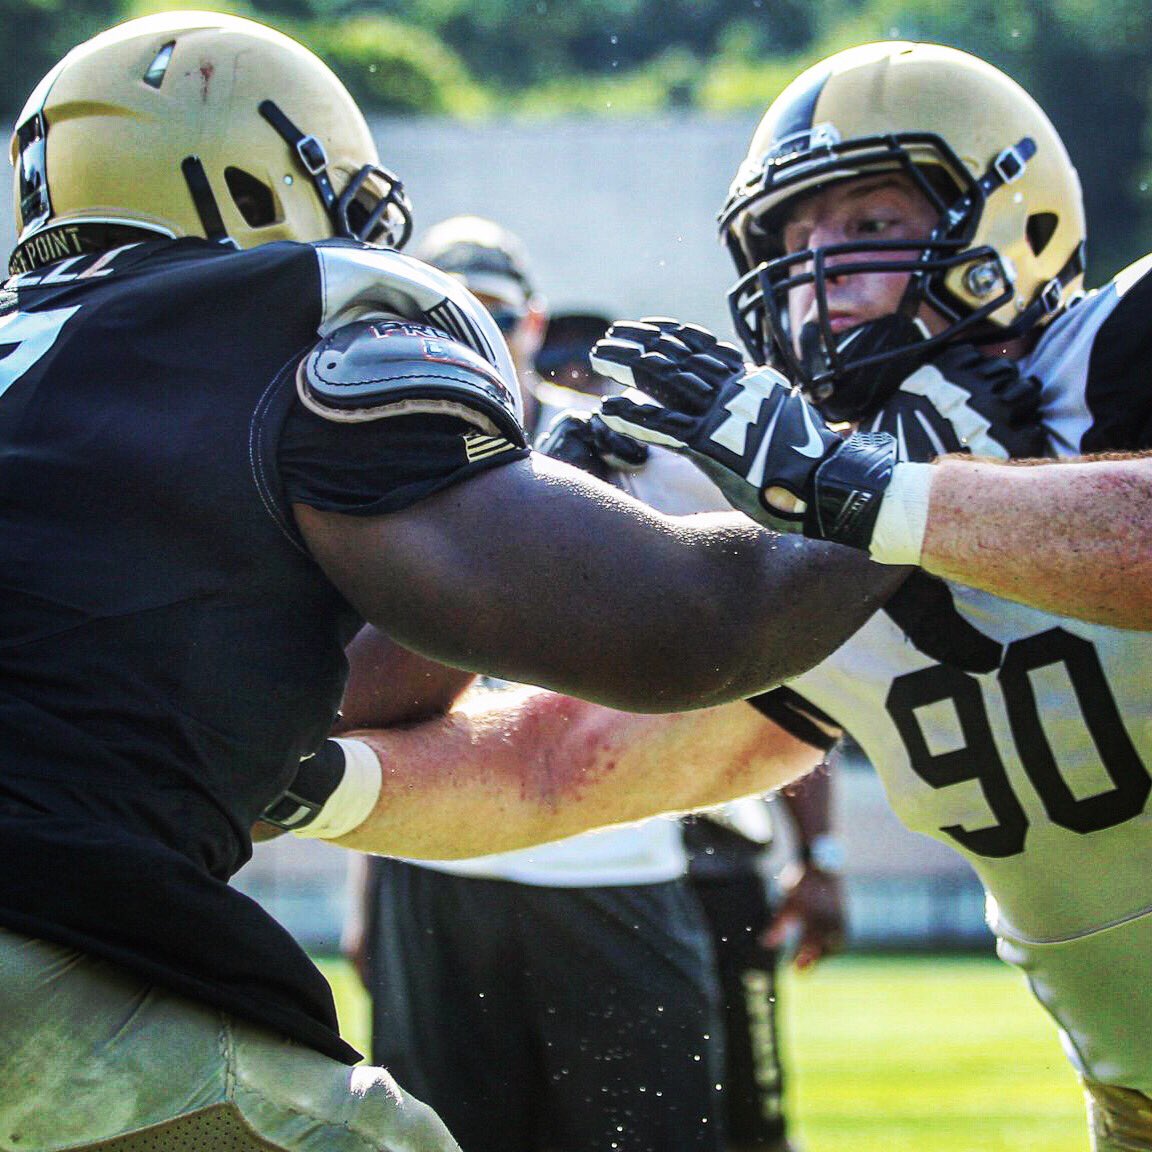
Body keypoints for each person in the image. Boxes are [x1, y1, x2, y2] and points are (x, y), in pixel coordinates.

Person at [0, 14, 915, 1147]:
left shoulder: (50, 357)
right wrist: (902, 482)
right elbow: (695, 626)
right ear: (250, 179)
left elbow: (353, 685)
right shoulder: (271, 316)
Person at [343, 41, 1152, 1152]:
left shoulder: (1116, 351)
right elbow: (547, 767)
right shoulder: (816, 543)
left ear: (1010, 222)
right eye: (795, 241)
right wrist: (291, 778)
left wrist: (866, 488)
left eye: (869, 226)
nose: (821, 278)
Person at [346, 224, 730, 1152]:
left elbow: (743, 629)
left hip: (612, 860)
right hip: (431, 861)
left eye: (497, 312)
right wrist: (367, 888)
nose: (474, 333)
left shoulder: (628, 443)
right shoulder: (361, 456)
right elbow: (362, 700)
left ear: (534, 320)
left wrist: (817, 847)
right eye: (447, 313)